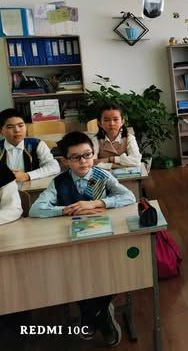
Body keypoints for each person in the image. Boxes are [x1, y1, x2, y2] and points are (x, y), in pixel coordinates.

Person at [29, 131, 135, 347]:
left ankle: (90, 315)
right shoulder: (59, 182)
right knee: (73, 274)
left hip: (102, 239)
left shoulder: (100, 176)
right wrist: (68, 209)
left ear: (93, 154)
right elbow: (35, 209)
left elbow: (129, 196)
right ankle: (101, 315)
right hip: (72, 242)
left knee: (112, 270)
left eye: (87, 155)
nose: (84, 161)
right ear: (65, 161)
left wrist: (97, 203)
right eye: (76, 157)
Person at [0, 108, 60, 182]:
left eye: (21, 125)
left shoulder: (37, 144)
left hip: (32, 187)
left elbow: (54, 166)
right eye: (10, 127)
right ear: (1, 131)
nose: (17, 130)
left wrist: (28, 175)